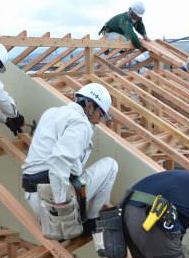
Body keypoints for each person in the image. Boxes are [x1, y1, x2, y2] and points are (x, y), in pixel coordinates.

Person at [21, 83, 119, 239]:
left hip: (33, 196)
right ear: (91, 105)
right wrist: (61, 210)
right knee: (111, 165)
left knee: (75, 172)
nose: (99, 121)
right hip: (52, 200)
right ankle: (92, 221)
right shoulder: (81, 124)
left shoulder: (51, 112)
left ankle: (75, 214)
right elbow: (59, 161)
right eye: (100, 115)